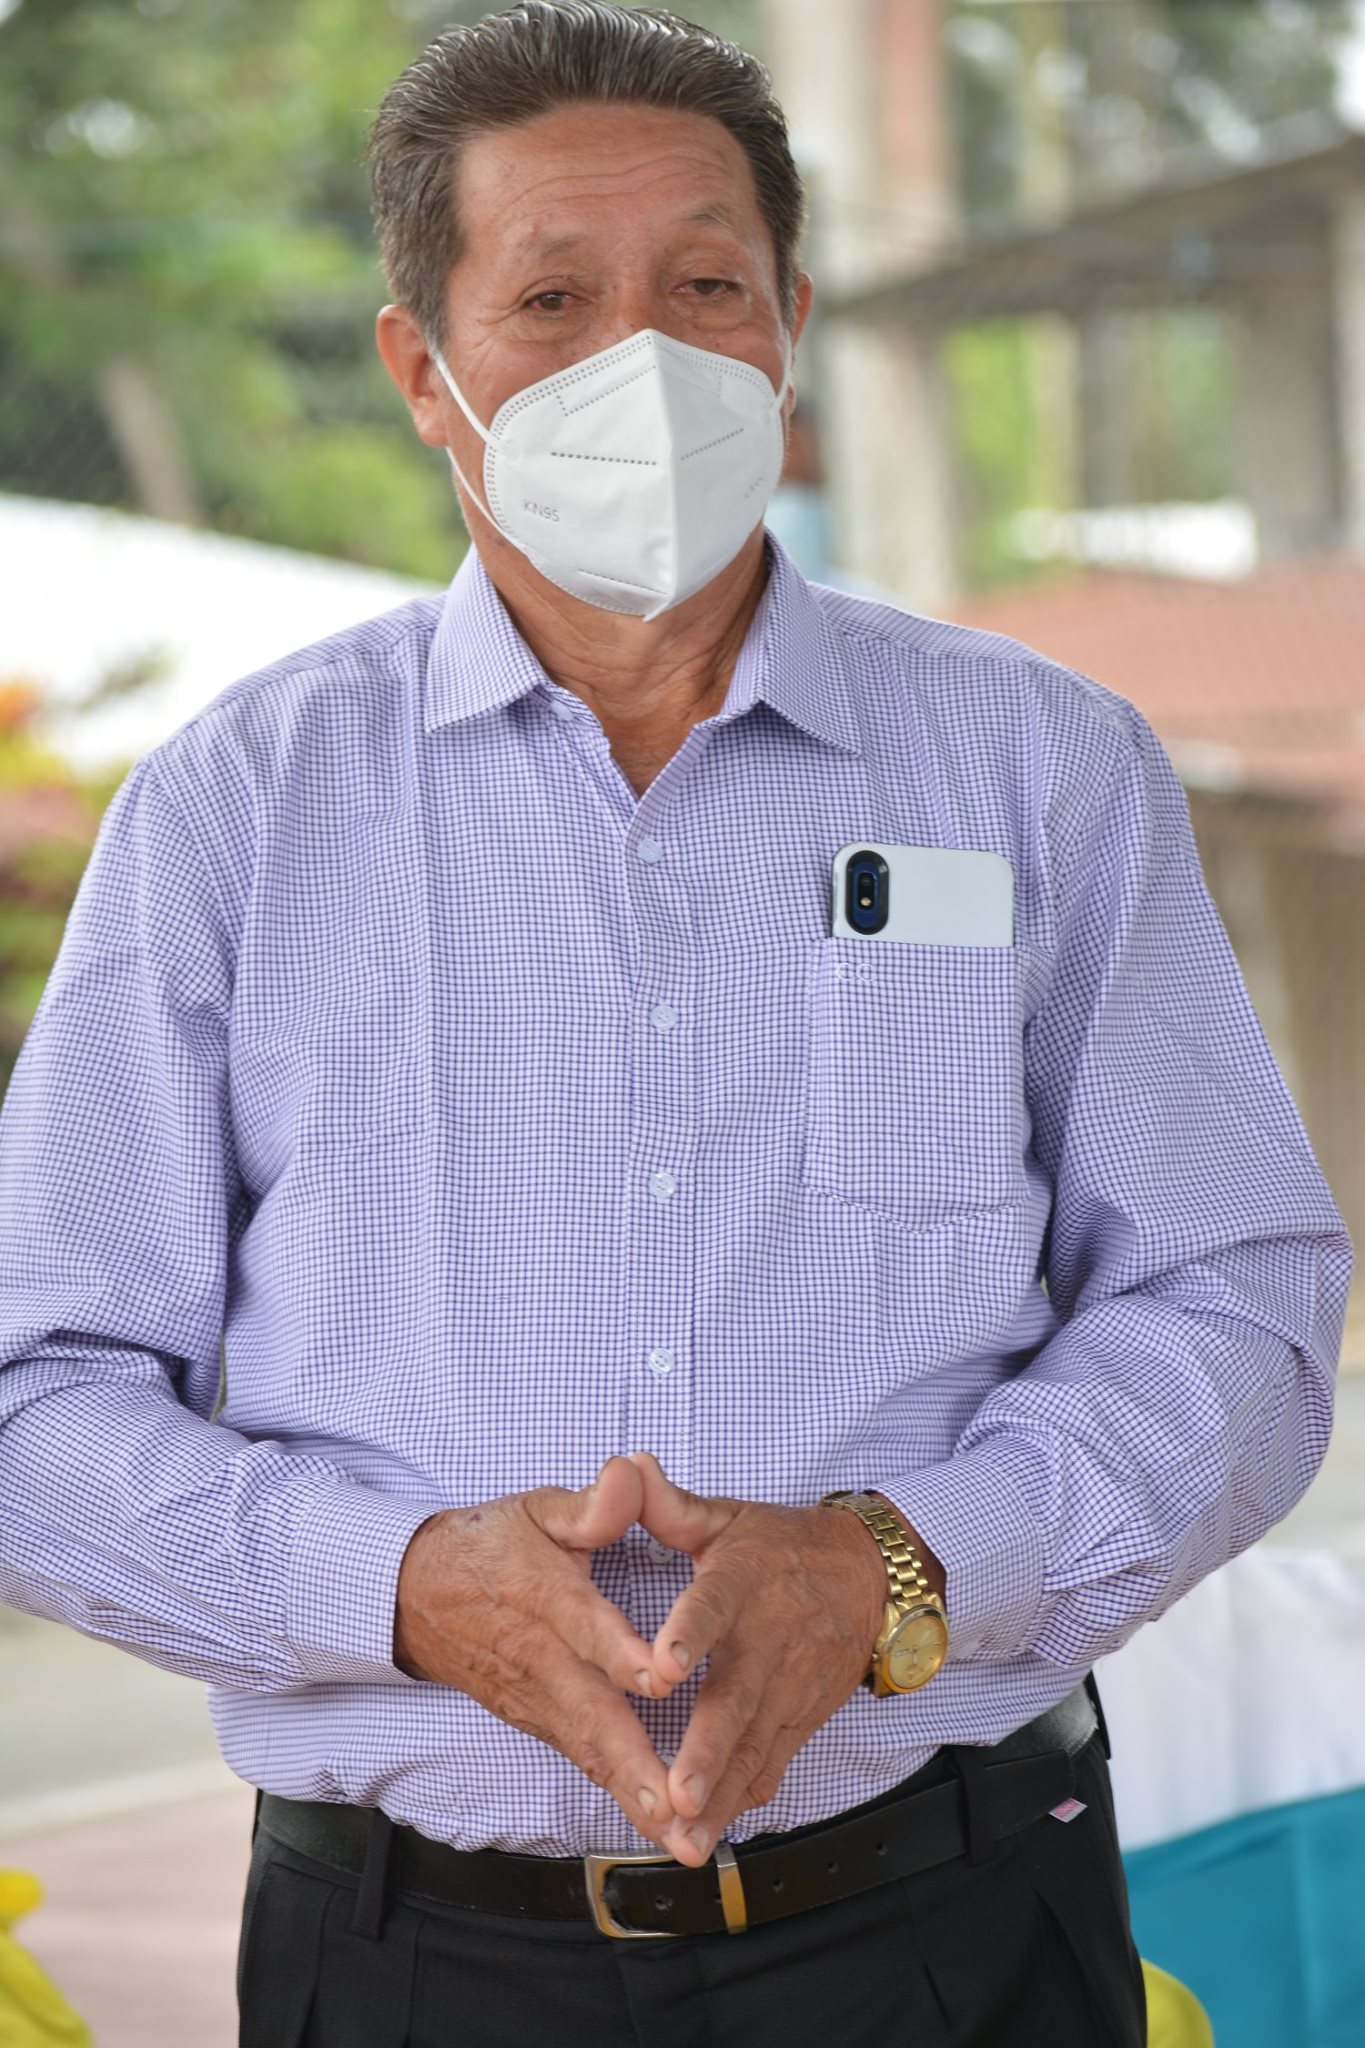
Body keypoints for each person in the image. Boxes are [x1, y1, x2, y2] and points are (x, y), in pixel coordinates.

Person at [0, 5, 1349, 2044]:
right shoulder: (240, 808)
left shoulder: (1036, 768)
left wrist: (903, 1564)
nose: (640, 360)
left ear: (789, 328)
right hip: (411, 1960)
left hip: (952, 1927)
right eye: (552, 298)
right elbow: (37, 1393)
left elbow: (1234, 1300)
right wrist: (392, 1583)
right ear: (422, 371)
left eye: (705, 287)